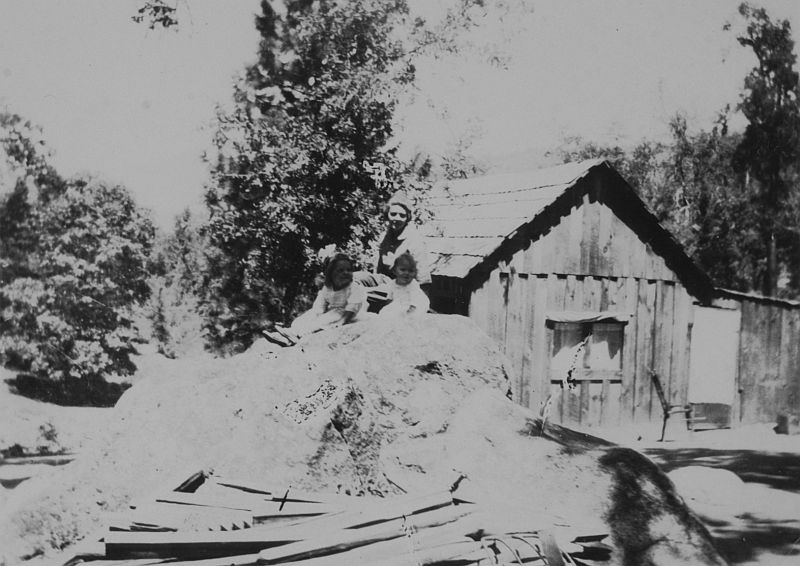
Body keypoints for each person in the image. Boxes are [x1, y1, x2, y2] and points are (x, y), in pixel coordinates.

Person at [355, 191, 431, 304]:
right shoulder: (385, 237)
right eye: (393, 214)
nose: (397, 218)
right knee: (353, 277)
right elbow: (378, 272)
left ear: (408, 217)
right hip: (384, 282)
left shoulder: (414, 241)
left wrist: (419, 305)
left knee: (362, 293)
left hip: (404, 288)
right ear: (387, 215)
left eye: (402, 215)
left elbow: (423, 279)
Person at [288, 253, 367, 338]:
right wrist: (312, 316)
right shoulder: (328, 288)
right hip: (334, 313)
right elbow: (318, 309)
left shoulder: (354, 287)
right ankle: (291, 333)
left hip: (350, 315)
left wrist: (339, 323)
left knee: (321, 322)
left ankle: (298, 336)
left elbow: (352, 310)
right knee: (299, 321)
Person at [378, 252, 430, 318]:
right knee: (385, 312)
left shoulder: (413, 284)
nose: (407, 273)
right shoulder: (393, 284)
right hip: (400, 303)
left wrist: (411, 310)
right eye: (403, 270)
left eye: (411, 271)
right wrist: (388, 307)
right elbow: (390, 298)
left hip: (415, 304)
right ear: (394, 271)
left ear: (415, 273)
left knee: (411, 316)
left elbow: (416, 299)